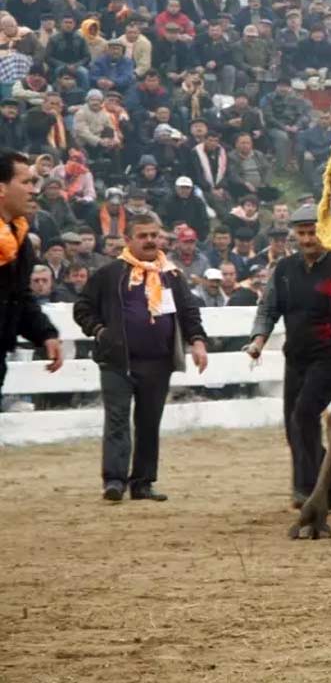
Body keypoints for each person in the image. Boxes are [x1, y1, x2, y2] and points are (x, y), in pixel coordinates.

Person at [74, 213, 208, 502]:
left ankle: (143, 483)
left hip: (158, 362)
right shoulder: (109, 274)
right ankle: (114, 480)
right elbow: (82, 308)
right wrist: (99, 331)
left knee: (149, 422)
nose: (149, 241)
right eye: (142, 235)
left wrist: (197, 341)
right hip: (117, 360)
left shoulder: (172, 275)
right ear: (128, 239)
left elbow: (188, 311)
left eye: (153, 235)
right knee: (118, 420)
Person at [246, 205, 331, 510]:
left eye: (313, 232)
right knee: (293, 426)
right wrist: (258, 340)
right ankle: (310, 487)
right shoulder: (284, 269)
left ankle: (324, 486)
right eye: (302, 233)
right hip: (296, 357)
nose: (307, 239)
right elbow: (269, 309)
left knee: (304, 415)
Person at [0, 150, 62, 408]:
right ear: (2, 188)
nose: (33, 190)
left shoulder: (19, 234)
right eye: (25, 182)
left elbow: (18, 295)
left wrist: (45, 333)